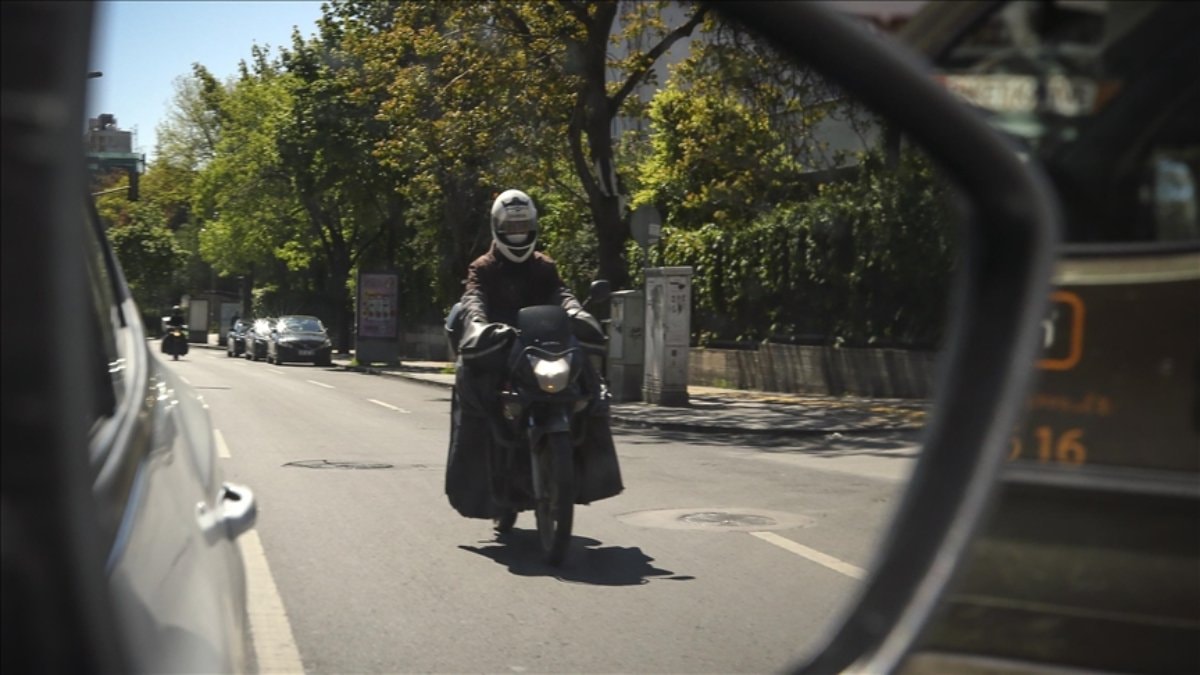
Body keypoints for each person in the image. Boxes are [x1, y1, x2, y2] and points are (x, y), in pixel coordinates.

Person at [445, 189, 620, 522]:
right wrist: (478, 324)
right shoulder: (483, 267)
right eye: (511, 227)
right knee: (475, 391)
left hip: (542, 347)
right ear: (497, 228)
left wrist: (576, 313)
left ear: (534, 226)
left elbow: (561, 294)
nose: (517, 233)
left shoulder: (544, 266)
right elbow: (473, 299)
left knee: (591, 386)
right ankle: (477, 483)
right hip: (500, 347)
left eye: (523, 225)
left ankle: (593, 472)